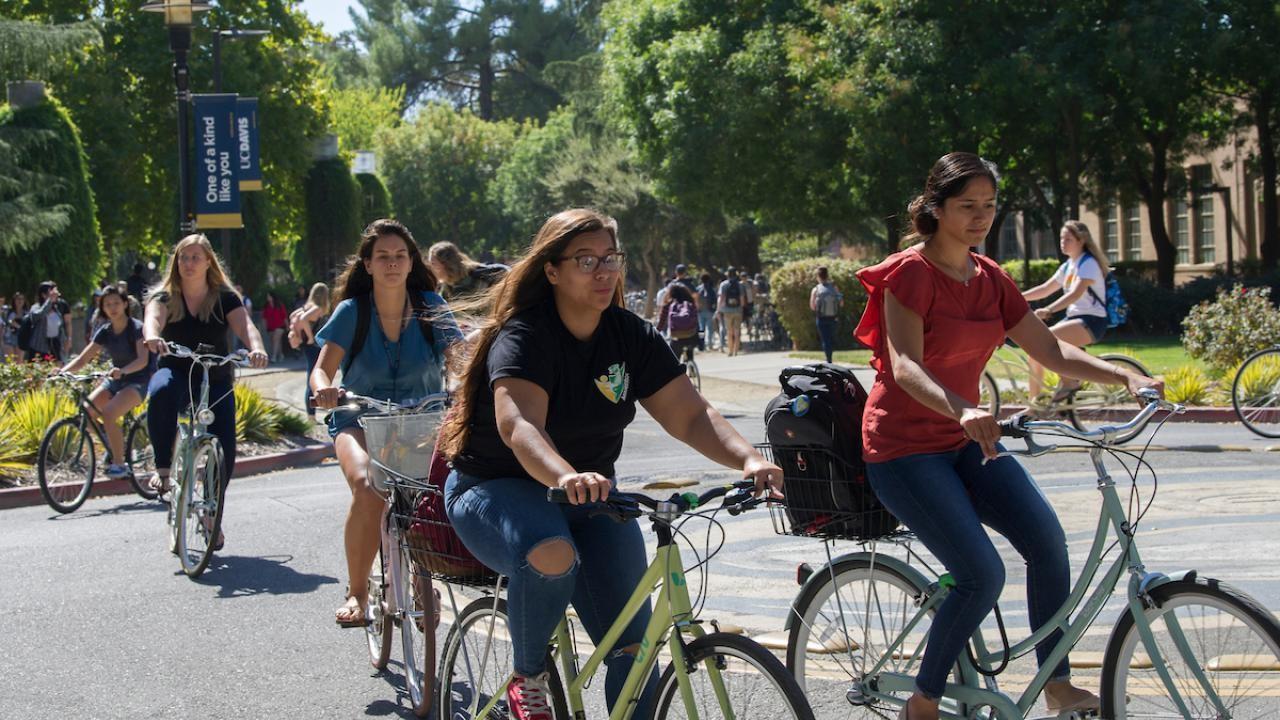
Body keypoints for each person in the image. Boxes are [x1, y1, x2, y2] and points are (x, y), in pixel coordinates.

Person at [437, 208, 784, 720]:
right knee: (551, 552)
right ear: (552, 270)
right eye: (585, 260)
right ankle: (527, 676)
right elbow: (519, 427)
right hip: (497, 487)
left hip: (592, 496)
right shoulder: (526, 336)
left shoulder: (628, 335)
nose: (603, 271)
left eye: (610, 259)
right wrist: (565, 475)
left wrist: (750, 461)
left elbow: (690, 416)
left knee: (634, 653)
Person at [853, 152, 1161, 720]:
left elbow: (1048, 349)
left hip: (967, 443)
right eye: (967, 206)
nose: (980, 217)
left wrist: (1126, 375)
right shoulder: (909, 273)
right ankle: (923, 702)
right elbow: (904, 366)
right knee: (981, 574)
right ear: (936, 209)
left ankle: (1057, 684)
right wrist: (963, 408)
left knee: (1047, 543)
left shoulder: (990, 278)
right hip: (903, 449)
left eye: (989, 206)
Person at [310, 219, 464, 627]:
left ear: (412, 262)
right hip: (358, 416)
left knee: (426, 497)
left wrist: (463, 382)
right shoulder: (352, 311)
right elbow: (321, 371)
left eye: (400, 256)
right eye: (383, 257)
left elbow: (459, 356)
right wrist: (325, 389)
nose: (393, 263)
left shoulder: (431, 304)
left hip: (422, 419)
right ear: (368, 263)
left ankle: (419, 578)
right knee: (367, 486)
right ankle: (358, 592)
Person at [143, 234, 269, 548]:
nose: (188, 263)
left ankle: (212, 514)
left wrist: (256, 348)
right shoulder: (164, 296)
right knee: (159, 392)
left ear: (208, 261)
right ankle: (162, 466)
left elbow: (246, 327)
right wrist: (152, 337)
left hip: (215, 377)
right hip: (178, 370)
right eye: (183, 257)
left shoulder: (225, 297)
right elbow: (151, 320)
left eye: (195, 257)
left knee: (224, 446)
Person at [58, 285, 154, 478]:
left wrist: (122, 371)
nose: (112, 308)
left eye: (116, 303)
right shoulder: (105, 331)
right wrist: (61, 372)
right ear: (102, 307)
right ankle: (113, 444)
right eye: (107, 304)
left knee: (109, 412)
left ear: (125, 304)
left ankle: (120, 465)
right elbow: (83, 359)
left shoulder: (136, 328)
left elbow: (142, 361)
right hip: (116, 378)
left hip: (139, 379)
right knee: (87, 410)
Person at [1020, 220, 1112, 401]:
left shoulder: (1088, 263)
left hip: (1091, 321)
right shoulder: (1069, 265)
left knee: (1043, 340)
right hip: (1075, 320)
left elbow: (1075, 295)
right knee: (1034, 351)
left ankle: (1070, 383)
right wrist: (1016, 297)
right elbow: (1046, 288)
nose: (1063, 242)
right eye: (1062, 238)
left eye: (1068, 239)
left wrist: (1048, 309)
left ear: (1081, 241)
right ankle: (1034, 405)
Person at [288, 282, 330, 417]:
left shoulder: (307, 306)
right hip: (313, 346)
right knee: (313, 378)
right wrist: (311, 337)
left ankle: (312, 413)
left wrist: (300, 334)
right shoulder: (317, 308)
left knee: (312, 376)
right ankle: (311, 415)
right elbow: (304, 318)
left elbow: (292, 316)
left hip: (308, 346)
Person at [426, 240, 509, 302]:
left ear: (446, 264)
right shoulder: (447, 288)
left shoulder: (480, 277)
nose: (430, 268)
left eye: (433, 264)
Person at [656, 281, 700, 364]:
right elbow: (696, 320)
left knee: (675, 360)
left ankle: (678, 371)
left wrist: (656, 332)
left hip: (676, 337)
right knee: (690, 347)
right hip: (692, 337)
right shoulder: (691, 303)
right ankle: (691, 365)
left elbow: (661, 322)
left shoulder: (668, 305)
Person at [27, 281, 71, 362]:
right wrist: (49, 301)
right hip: (38, 347)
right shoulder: (36, 307)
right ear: (43, 295)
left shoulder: (56, 308)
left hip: (54, 346)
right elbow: (37, 315)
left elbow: (62, 326)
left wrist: (67, 339)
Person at [809, 266, 843, 363]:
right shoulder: (834, 287)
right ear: (827, 276)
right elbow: (841, 303)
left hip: (821, 318)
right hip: (833, 318)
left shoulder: (816, 289)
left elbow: (812, 306)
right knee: (831, 339)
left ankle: (828, 359)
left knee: (825, 339)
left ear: (818, 277)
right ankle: (830, 356)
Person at [717, 267, 746, 356]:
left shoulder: (724, 284)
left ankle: (730, 351)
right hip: (738, 310)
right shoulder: (740, 285)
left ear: (727, 274)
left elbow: (721, 298)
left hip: (727, 311)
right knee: (737, 331)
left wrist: (718, 310)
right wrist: (741, 308)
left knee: (729, 331)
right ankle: (736, 351)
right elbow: (742, 299)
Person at [262, 292, 288, 363]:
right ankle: (281, 354)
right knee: (276, 341)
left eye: (269, 296)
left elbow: (284, 316)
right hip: (270, 326)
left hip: (280, 325)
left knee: (275, 339)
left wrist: (287, 326)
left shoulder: (279, 305)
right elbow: (264, 318)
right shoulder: (266, 306)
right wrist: (264, 327)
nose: (268, 298)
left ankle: (273, 357)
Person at [695, 272, 719, 351]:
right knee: (710, 328)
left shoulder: (698, 289)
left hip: (700, 311)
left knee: (701, 329)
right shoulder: (711, 289)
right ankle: (710, 344)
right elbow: (715, 300)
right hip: (709, 311)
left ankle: (702, 345)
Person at [4, 292, 26, 361]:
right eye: (17, 299)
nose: (19, 301)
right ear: (14, 300)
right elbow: (9, 322)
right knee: (10, 361)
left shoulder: (26, 313)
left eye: (21, 299)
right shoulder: (9, 311)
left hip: (21, 338)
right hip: (9, 337)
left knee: (19, 361)